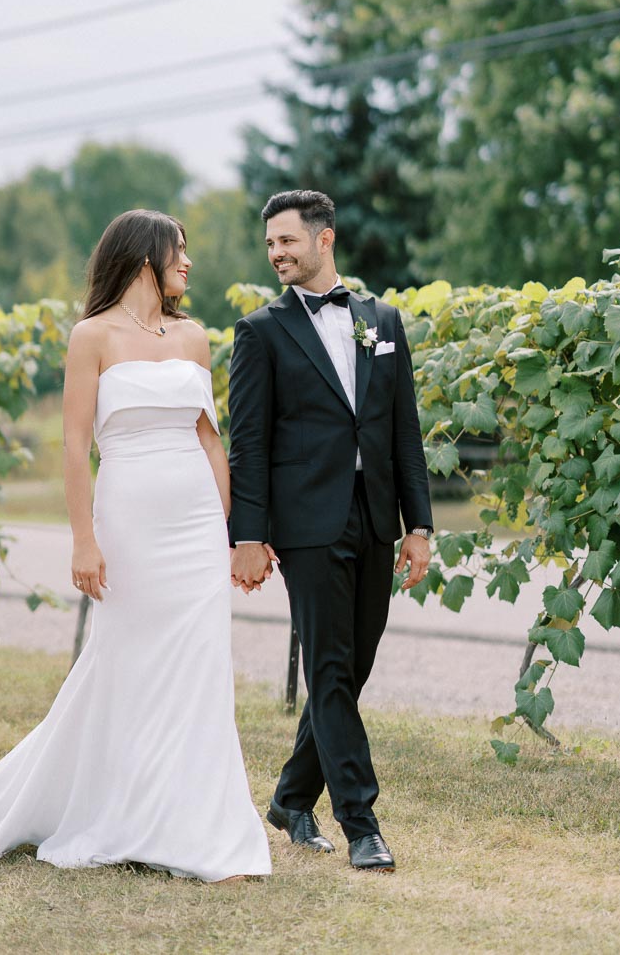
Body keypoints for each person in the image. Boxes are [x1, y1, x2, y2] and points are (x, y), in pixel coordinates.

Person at [0, 209, 271, 883]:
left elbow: (212, 439)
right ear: (146, 257)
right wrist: (83, 541)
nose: (189, 263)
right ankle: (118, 811)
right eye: (180, 251)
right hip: (129, 522)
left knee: (200, 668)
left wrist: (234, 534)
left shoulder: (194, 338)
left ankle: (199, 828)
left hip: (195, 526)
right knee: (127, 664)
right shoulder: (90, 336)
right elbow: (71, 446)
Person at [228, 189, 432, 873]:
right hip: (306, 524)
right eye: (269, 245)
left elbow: (404, 431)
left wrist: (419, 524)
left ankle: (290, 797)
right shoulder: (261, 332)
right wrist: (248, 534)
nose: (277, 253)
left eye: (287, 240)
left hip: (375, 516)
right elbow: (247, 442)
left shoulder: (384, 321)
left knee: (353, 665)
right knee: (330, 668)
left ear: (324, 240)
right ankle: (361, 821)